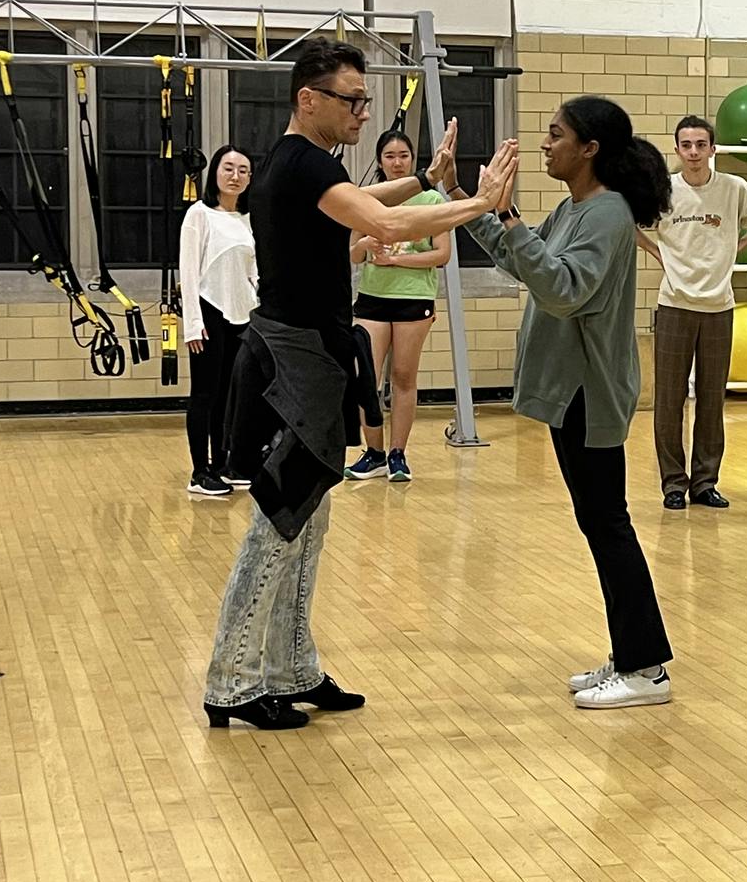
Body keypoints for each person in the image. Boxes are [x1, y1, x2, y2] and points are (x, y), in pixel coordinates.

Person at [202, 40, 514, 730]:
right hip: (292, 365)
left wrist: (429, 180)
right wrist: (478, 205)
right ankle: (231, 681)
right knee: (279, 524)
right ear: (308, 99)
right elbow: (385, 223)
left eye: (365, 101)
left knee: (308, 522)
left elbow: (370, 199)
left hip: (308, 356)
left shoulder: (299, 164)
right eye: (351, 100)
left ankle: (289, 667)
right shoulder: (303, 161)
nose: (363, 114)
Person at [471, 95, 678, 711]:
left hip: (591, 391)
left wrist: (506, 216)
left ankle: (647, 669)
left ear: (589, 148)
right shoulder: (575, 207)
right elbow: (525, 260)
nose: (544, 143)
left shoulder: (608, 214)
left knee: (608, 523)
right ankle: (633, 652)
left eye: (556, 134)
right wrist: (477, 207)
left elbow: (562, 291)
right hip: (573, 393)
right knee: (599, 522)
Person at [638, 114, 747, 510]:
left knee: (712, 399)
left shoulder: (733, 189)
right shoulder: (663, 190)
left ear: (713, 149)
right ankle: (673, 484)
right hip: (675, 305)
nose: (694, 152)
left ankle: (705, 482)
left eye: (701, 145)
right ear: (677, 149)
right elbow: (630, 222)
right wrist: (656, 252)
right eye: (686, 145)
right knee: (669, 398)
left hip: (719, 307)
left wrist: (735, 249)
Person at [344, 128, 451, 484]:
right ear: (379, 161)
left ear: (413, 160)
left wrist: (397, 262)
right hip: (372, 300)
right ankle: (372, 452)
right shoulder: (367, 200)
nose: (397, 162)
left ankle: (397, 454)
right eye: (389, 156)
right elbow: (353, 254)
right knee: (365, 380)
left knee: (403, 378)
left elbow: (441, 254)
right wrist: (369, 245)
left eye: (403, 155)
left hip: (413, 299)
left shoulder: (433, 201)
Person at [180, 144, 256, 498]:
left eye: (243, 170)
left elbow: (253, 272)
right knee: (205, 395)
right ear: (215, 173)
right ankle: (199, 472)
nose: (235, 175)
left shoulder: (248, 218)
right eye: (228, 168)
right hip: (209, 313)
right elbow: (190, 272)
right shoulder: (199, 214)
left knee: (230, 397)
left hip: (241, 316)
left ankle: (223, 463)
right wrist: (192, 324)